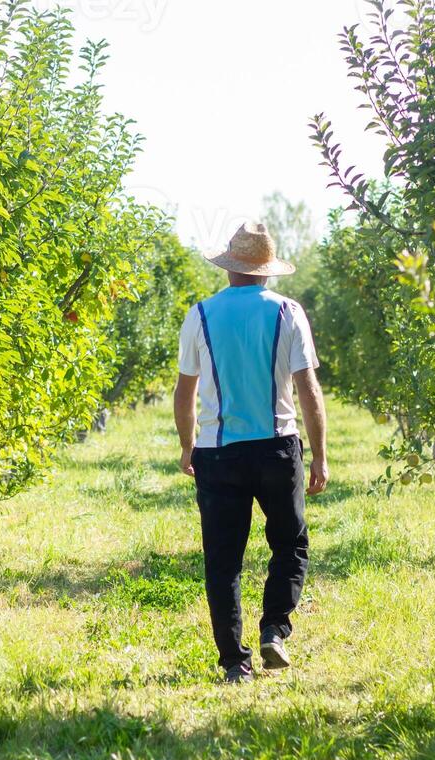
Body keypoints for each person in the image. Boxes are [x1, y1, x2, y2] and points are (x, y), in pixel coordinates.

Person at [173, 222, 329, 684]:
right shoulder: (287, 312)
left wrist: (187, 444)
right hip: (277, 446)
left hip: (217, 452)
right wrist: (319, 453)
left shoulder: (199, 315)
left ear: (228, 269)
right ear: (266, 272)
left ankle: (233, 663)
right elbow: (307, 388)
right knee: (290, 543)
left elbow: (186, 390)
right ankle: (275, 629)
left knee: (223, 561)